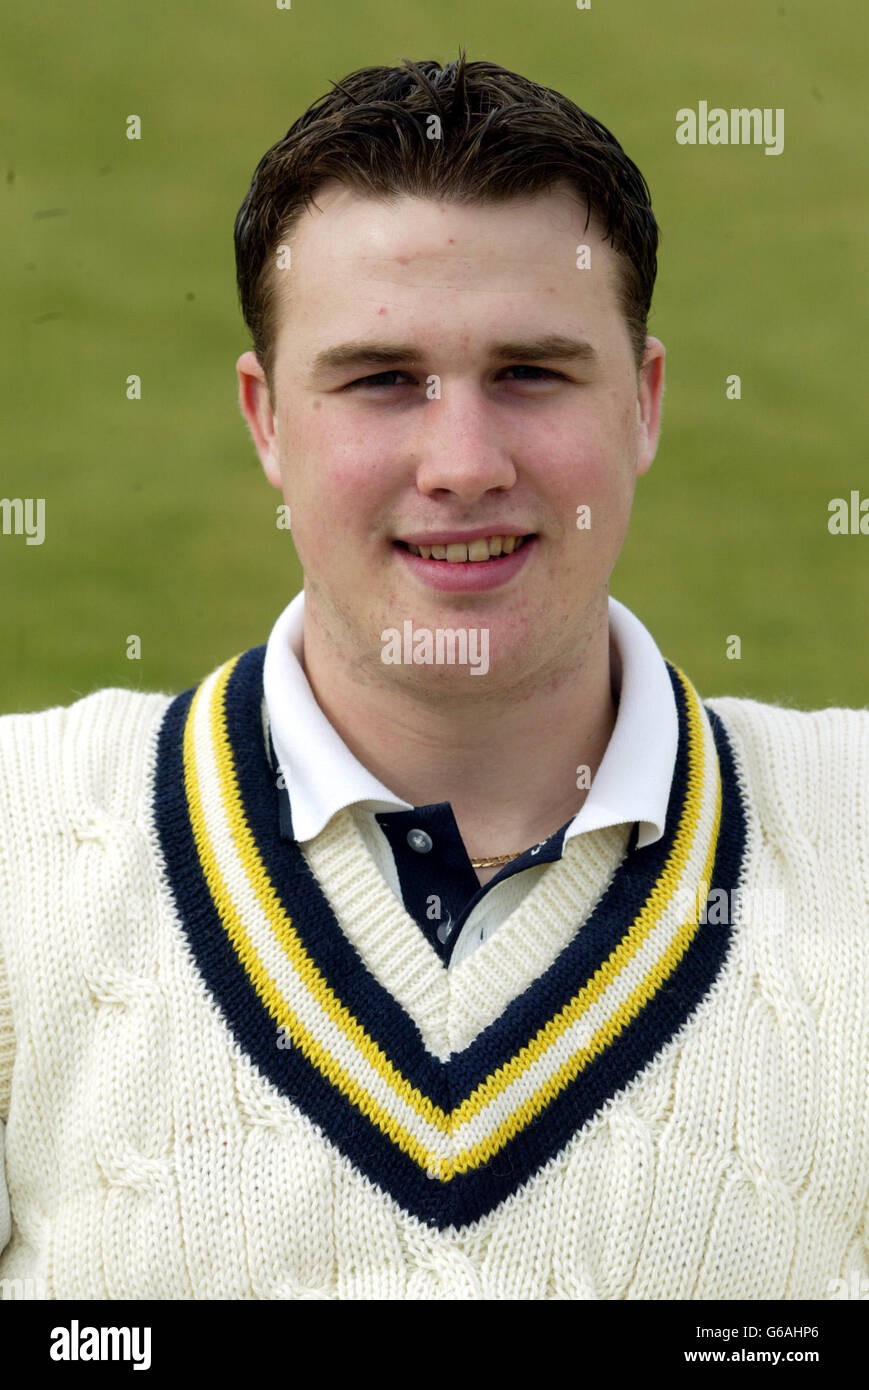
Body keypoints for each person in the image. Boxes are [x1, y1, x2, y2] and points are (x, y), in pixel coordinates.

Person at [0, 53, 865, 1302]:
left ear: (643, 402)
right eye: (380, 380)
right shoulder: (21, 848)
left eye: (529, 372)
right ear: (266, 422)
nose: (461, 462)